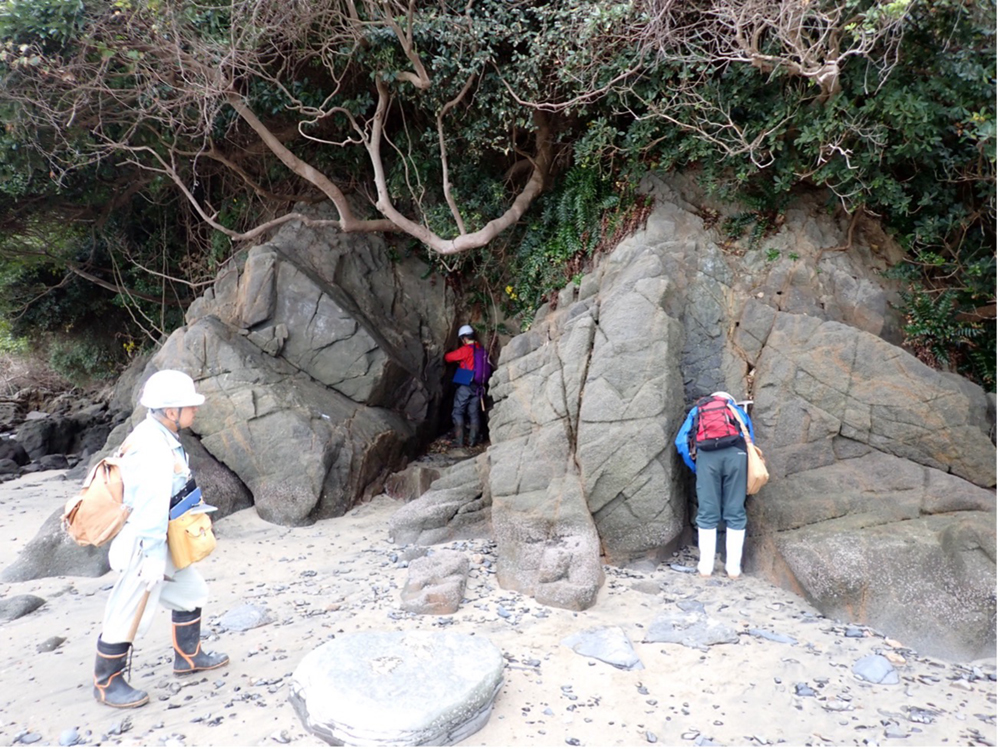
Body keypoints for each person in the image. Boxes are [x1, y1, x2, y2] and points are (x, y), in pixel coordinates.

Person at [93, 369, 228, 709]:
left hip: (161, 539)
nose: (195, 410)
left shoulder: (158, 435)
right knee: (127, 610)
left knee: (190, 593)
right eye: (189, 406)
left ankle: (189, 657)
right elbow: (150, 507)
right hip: (145, 542)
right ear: (171, 411)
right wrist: (153, 557)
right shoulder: (153, 446)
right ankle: (107, 683)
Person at [673, 391, 755, 579]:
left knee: (707, 511)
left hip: (707, 459)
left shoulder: (697, 410)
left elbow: (681, 442)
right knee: (735, 510)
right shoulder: (735, 410)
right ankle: (733, 569)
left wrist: (696, 466)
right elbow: (749, 439)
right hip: (736, 458)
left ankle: (706, 567)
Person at [444, 324, 485, 448]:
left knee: (458, 412)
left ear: (464, 338)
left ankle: (459, 442)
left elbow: (448, 358)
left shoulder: (465, 350)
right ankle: (473, 441)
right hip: (478, 387)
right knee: (474, 413)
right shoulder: (481, 349)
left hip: (466, 384)